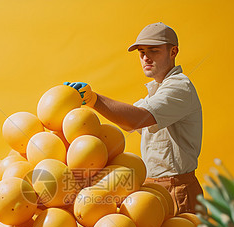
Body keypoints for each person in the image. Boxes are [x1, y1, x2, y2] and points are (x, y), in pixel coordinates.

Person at [65, 22, 203, 214]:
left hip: (177, 191)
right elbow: (127, 122)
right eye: (141, 53)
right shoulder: (156, 93)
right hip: (152, 189)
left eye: (154, 51)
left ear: (173, 52)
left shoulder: (179, 87)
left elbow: (136, 118)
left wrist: (94, 99)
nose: (146, 57)